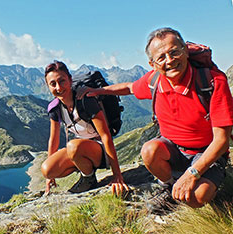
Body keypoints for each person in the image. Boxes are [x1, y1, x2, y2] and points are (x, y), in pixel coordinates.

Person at [78, 27, 233, 214]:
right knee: (149, 150)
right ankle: (169, 188)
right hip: (173, 149)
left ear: (185, 50)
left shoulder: (212, 82)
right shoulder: (155, 81)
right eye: (161, 57)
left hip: (206, 152)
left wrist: (192, 173)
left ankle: (201, 180)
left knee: (197, 197)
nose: (170, 61)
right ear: (153, 63)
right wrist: (99, 91)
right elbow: (129, 87)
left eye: (175, 52)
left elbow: (221, 140)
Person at [41, 60, 128, 195]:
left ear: (70, 80)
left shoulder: (85, 101)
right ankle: (84, 168)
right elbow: (54, 140)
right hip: (79, 149)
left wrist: (117, 174)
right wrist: (49, 178)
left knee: (73, 146)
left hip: (99, 149)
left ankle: (88, 178)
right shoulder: (55, 108)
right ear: (48, 86)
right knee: (47, 169)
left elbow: (105, 135)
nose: (58, 87)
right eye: (53, 84)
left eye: (62, 81)